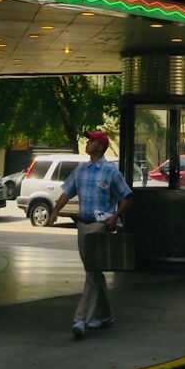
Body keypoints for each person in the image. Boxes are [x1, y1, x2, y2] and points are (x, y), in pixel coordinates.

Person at [47, 130, 132, 340]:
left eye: (92, 140)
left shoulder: (111, 172)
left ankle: (81, 319)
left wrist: (115, 216)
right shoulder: (81, 170)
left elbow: (127, 196)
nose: (88, 142)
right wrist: (56, 211)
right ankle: (106, 316)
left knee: (92, 271)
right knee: (92, 271)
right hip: (82, 225)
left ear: (101, 146)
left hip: (98, 226)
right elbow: (67, 192)